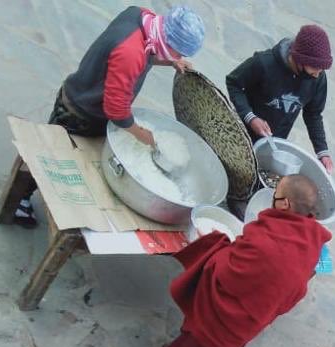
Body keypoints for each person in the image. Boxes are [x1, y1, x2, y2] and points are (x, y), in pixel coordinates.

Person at [13, 5, 206, 227]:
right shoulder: (131, 54)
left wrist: (173, 61)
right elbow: (116, 110)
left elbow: (151, 52)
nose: (179, 57)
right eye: (178, 52)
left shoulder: (141, 16)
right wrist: (143, 135)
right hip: (80, 111)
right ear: (168, 42)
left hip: (84, 92)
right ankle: (20, 201)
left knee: (57, 156)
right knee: (49, 157)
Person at [148, 175, 330, 347]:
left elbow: (227, 274)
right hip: (256, 315)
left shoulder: (264, 241)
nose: (273, 197)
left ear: (285, 204)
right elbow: (297, 285)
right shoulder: (313, 237)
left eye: (276, 195)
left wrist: (215, 246)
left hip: (230, 318)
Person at [227, 25, 335, 173]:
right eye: (314, 70)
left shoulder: (318, 79)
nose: (317, 75)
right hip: (240, 130)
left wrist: (322, 151)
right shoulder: (263, 63)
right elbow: (234, 83)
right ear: (299, 59)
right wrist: (251, 117)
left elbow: (313, 114)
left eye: (320, 71)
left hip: (274, 141)